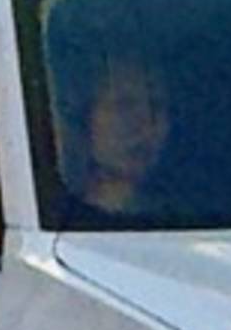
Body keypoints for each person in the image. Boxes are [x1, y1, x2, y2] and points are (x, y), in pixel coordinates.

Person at [59, 41, 178, 221]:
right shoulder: (54, 220)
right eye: (124, 106)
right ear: (83, 116)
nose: (146, 124)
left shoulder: (185, 219)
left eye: (157, 106)